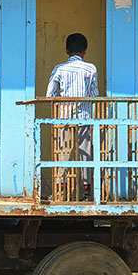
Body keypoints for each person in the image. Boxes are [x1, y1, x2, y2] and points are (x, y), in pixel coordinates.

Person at [46, 32, 99, 192]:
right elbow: (94, 95)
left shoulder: (59, 69)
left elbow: (50, 94)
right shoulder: (91, 68)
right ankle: (87, 188)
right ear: (85, 51)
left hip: (64, 116)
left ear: (67, 50)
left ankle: (61, 187)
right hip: (85, 116)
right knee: (86, 152)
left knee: (63, 150)